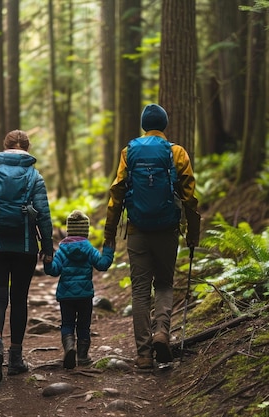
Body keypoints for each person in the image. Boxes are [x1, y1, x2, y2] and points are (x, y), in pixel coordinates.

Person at [103, 103, 200, 370]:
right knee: (165, 284)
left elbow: (117, 193)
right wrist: (193, 233)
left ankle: (144, 354)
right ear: (165, 125)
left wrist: (109, 234)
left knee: (141, 291)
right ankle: (162, 333)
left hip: (137, 231)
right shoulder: (176, 152)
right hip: (167, 230)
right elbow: (190, 196)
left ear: (145, 125)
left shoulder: (129, 151)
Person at [0, 129, 54, 384]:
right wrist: (48, 245)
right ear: (26, 148)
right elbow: (43, 213)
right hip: (25, 244)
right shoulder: (33, 174)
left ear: (4, 146)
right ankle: (15, 358)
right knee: (19, 299)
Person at [44, 210, 114, 369]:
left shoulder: (62, 249)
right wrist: (108, 251)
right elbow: (102, 265)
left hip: (65, 295)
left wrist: (48, 262)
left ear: (69, 230)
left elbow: (53, 271)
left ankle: (69, 348)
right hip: (85, 295)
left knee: (67, 323)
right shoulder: (88, 248)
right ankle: (82, 356)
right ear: (86, 231)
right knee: (83, 326)